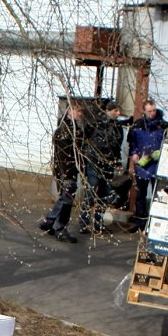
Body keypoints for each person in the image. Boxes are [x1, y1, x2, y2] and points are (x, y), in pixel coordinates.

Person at [77, 100, 127, 235]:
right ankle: (84, 221)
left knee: (105, 193)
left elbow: (117, 146)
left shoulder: (117, 127)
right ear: (109, 110)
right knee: (91, 191)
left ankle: (98, 223)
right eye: (116, 111)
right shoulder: (96, 123)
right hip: (94, 160)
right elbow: (83, 137)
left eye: (119, 111)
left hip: (108, 163)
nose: (118, 113)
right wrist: (85, 155)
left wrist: (117, 162)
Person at [38, 102, 85, 244]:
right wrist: (66, 175)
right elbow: (64, 155)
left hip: (69, 170)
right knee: (67, 199)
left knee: (66, 198)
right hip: (66, 171)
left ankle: (50, 221)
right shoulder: (66, 131)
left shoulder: (74, 129)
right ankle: (59, 227)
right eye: (78, 111)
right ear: (70, 111)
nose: (80, 114)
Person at [125, 99, 168, 232]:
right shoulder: (137, 126)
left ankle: (155, 223)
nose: (152, 113)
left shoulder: (163, 125)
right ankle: (140, 221)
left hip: (158, 164)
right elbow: (132, 143)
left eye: (154, 110)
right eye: (149, 111)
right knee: (140, 195)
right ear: (144, 111)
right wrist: (134, 154)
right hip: (143, 164)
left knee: (158, 195)